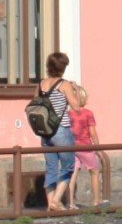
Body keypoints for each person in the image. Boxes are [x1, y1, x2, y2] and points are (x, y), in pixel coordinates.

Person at [36, 51, 82, 213]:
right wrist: (75, 90)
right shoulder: (65, 85)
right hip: (61, 129)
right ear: (63, 68)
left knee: (51, 167)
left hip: (45, 131)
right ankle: (56, 200)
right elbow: (76, 107)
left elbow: (36, 103)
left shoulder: (41, 84)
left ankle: (50, 204)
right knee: (68, 166)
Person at [69, 84, 104, 207]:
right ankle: (96, 201)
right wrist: (98, 148)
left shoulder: (69, 113)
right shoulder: (88, 113)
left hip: (73, 146)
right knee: (94, 171)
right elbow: (93, 133)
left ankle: (71, 203)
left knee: (73, 173)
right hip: (85, 146)